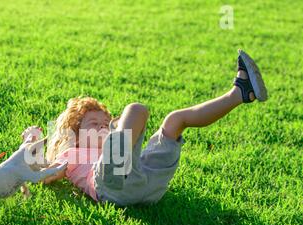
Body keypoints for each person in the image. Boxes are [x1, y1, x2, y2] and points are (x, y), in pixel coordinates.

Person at [23, 49, 268, 206]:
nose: (100, 127)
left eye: (103, 123)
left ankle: (240, 93)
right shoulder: (72, 154)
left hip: (148, 182)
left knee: (175, 121)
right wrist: (31, 143)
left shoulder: (115, 145)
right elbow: (43, 177)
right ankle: (122, 150)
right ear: (76, 137)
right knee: (137, 109)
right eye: (93, 125)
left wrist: (119, 130)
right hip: (110, 186)